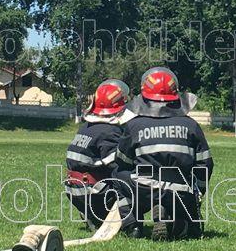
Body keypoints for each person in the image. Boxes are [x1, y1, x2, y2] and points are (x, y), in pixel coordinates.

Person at [115, 67, 214, 240]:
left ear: (144, 97)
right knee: (186, 229)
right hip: (181, 190)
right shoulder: (191, 125)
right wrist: (197, 193)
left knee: (118, 176)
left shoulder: (133, 126)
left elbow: (122, 161)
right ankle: (175, 215)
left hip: (144, 189)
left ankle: (133, 226)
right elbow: (205, 164)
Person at [65, 79, 130, 230]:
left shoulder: (86, 127)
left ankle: (92, 215)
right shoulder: (110, 131)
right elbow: (117, 167)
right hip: (94, 192)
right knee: (130, 179)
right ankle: (128, 223)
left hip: (73, 189)